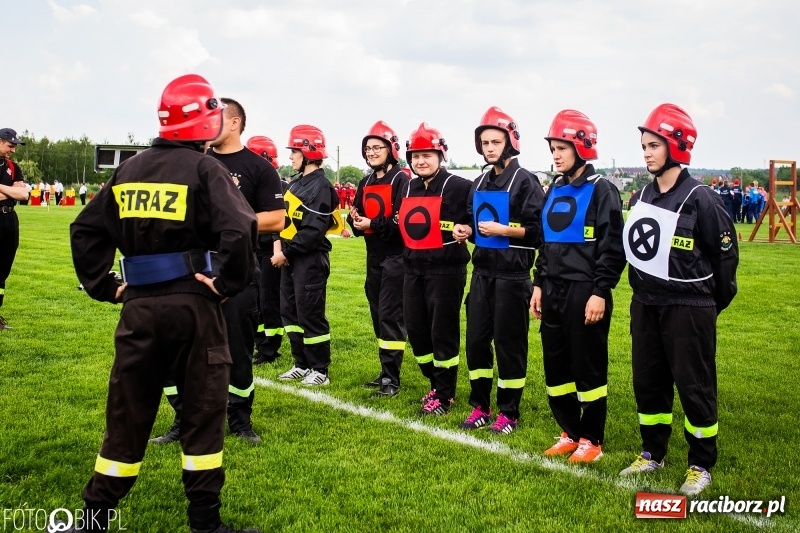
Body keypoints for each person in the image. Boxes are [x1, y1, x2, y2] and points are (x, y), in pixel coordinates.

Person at [67, 74, 260, 533]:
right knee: (203, 411)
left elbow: (85, 229)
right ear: (205, 122)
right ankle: (205, 523)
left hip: (139, 307)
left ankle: (94, 520)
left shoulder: (128, 169)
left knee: (127, 411)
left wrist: (104, 285)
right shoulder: (205, 169)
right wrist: (226, 283)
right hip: (194, 305)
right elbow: (241, 228)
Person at [150, 98, 286, 446]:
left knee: (235, 350)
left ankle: (240, 420)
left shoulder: (258, 168)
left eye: (215, 118)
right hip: (187, 270)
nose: (206, 124)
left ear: (236, 122)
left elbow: (276, 219)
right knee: (176, 346)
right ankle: (183, 419)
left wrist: (231, 223)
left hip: (236, 270)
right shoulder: (193, 161)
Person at [620, 103, 738, 496]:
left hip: (689, 309)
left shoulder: (703, 198)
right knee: (649, 383)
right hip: (646, 304)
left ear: (677, 146)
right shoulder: (643, 195)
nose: (647, 153)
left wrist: (705, 306)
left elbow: (725, 262)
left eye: (654, 145)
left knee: (694, 385)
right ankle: (652, 452)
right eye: (644, 146)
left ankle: (700, 463)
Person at [529, 110, 626, 461]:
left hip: (585, 291)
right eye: (553, 148)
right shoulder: (553, 188)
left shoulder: (603, 191)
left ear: (582, 147)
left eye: (562, 148)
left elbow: (612, 248)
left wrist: (600, 291)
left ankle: (592, 439)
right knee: (556, 364)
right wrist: (539, 284)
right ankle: (569, 432)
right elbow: (545, 241)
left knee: (587, 365)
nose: (555, 155)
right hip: (551, 289)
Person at [452, 107, 543, 434]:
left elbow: (540, 233)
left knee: (509, 345)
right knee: (476, 342)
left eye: (495, 141)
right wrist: (465, 230)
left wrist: (505, 230)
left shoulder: (526, 181)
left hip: (513, 278)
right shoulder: (478, 181)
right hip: (482, 276)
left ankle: (509, 412)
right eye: (484, 142)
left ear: (510, 141)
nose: (489, 147)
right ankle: (480, 405)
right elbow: (475, 225)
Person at [396, 123, 472, 415]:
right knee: (416, 329)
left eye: (427, 154)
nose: (420, 161)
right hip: (413, 268)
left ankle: (444, 393)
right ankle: (434, 382)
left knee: (443, 331)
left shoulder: (461, 187)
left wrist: (467, 231)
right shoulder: (410, 186)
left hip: (446, 270)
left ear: (441, 155)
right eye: (415, 156)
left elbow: (475, 226)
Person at [273, 125, 339, 386]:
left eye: (294, 151)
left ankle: (320, 370)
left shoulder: (321, 187)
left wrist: (286, 252)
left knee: (310, 314)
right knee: (290, 313)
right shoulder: (298, 182)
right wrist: (281, 248)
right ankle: (301, 364)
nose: (290, 157)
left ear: (309, 152)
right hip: (291, 257)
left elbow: (313, 231)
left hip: (309, 259)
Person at [346, 121, 408, 397]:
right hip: (374, 256)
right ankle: (385, 372)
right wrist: (355, 219)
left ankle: (392, 379)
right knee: (376, 314)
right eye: (368, 148)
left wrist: (373, 222)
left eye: (377, 148)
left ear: (390, 149)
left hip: (397, 257)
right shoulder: (366, 180)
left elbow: (403, 220)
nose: (371, 152)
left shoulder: (401, 179)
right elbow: (357, 211)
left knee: (389, 315)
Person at [246, 135, 288, 366]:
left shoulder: (280, 186)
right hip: (250, 249)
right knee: (254, 300)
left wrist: (277, 247)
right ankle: (259, 341)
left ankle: (270, 347)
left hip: (269, 250)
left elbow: (281, 222)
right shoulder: (249, 185)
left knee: (269, 300)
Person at [0, 128, 30, 329]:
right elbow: (16, 192)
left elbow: (24, 195)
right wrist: (12, 191)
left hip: (9, 220)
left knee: (2, 271)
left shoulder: (12, 166)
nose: (13, 150)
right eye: (10, 146)